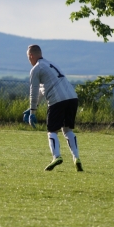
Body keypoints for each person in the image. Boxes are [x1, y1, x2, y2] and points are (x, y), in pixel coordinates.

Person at [23, 44, 83, 172]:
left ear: (31, 56)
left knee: (52, 131)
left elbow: (33, 91)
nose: (29, 60)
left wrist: (33, 112)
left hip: (57, 100)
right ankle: (76, 158)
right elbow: (41, 90)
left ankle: (56, 156)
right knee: (67, 130)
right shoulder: (50, 64)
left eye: (28, 57)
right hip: (72, 98)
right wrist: (33, 107)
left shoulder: (35, 69)